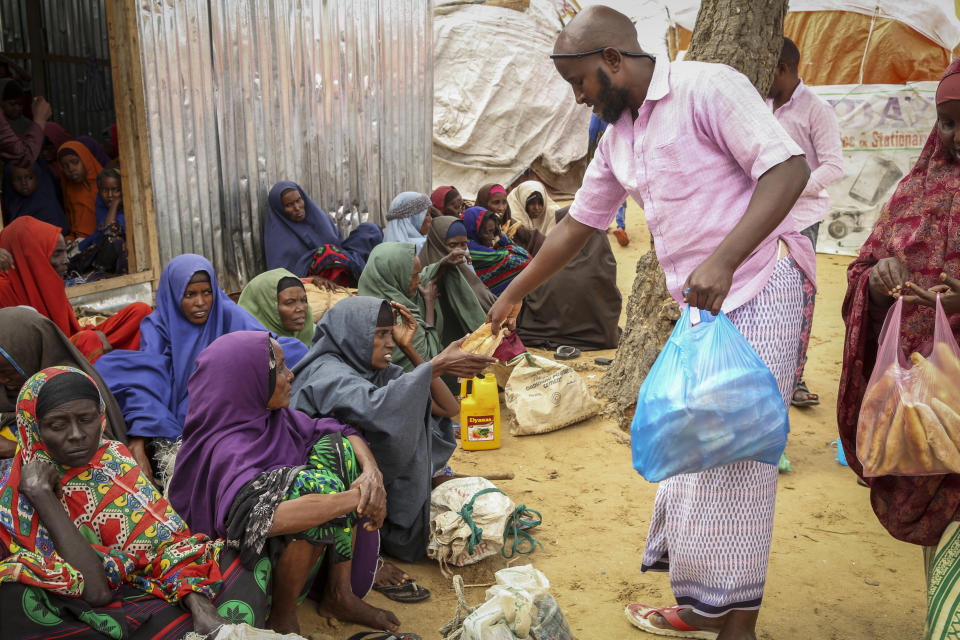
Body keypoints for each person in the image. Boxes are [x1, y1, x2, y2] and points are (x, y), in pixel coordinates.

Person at [486, 8, 815, 639]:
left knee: (739, 466)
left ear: (612, 59)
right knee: (689, 454)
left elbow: (788, 169)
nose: (578, 96)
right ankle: (699, 606)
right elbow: (574, 228)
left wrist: (723, 259)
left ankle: (735, 625)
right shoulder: (618, 139)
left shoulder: (708, 88)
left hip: (757, 289)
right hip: (704, 314)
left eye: (579, 81)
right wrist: (512, 294)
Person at [0, 366, 265, 638]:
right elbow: (96, 592)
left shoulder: (113, 460)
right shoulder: (19, 493)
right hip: (90, 602)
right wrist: (42, 496)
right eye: (57, 425)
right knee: (14, 597)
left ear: (101, 417)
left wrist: (196, 600)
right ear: (32, 428)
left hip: (149, 579)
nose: (77, 434)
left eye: (87, 419)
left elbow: (167, 543)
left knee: (246, 560)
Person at [169, 331, 404, 635]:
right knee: (317, 488)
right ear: (249, 381)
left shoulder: (271, 419)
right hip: (245, 573)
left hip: (287, 556)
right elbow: (262, 520)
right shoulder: (227, 447)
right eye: (279, 369)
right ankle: (283, 614)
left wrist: (373, 474)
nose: (290, 374)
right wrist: (359, 499)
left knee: (338, 449)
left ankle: (339, 593)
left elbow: (337, 428)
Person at [838, 58, 960, 640]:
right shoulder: (913, 189)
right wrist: (877, 279)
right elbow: (861, 267)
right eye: (948, 123)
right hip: (928, 409)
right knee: (947, 538)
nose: (956, 137)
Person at [289, 297, 494, 567]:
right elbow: (375, 406)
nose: (390, 343)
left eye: (390, 334)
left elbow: (447, 407)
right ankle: (357, 561)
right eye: (380, 335)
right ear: (351, 334)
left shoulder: (372, 370)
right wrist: (436, 366)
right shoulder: (327, 371)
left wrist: (412, 350)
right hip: (321, 498)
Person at [95, 254, 308, 479]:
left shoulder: (227, 314)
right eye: (190, 294)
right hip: (178, 410)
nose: (200, 302)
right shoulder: (158, 325)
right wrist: (138, 438)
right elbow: (150, 375)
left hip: (229, 405)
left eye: (207, 292)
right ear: (174, 295)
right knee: (115, 370)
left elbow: (271, 347)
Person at [767, 36, 843, 408]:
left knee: (799, 300)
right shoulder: (760, 104)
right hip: (762, 216)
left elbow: (833, 164)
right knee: (762, 296)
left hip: (801, 219)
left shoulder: (816, 110)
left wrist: (792, 189)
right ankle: (768, 371)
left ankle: (794, 377)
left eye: (767, 69)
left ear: (782, 68)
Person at [0, 217, 151, 363]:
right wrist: (90, 338)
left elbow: (69, 331)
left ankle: (129, 365)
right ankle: (106, 378)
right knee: (88, 341)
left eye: (65, 252)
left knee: (140, 312)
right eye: (57, 254)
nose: (66, 260)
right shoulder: (3, 289)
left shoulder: (48, 283)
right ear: (32, 256)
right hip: (45, 362)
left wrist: (92, 334)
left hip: (69, 345)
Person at [0, 307, 129, 473]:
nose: (3, 380)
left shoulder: (70, 388)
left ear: (31, 354)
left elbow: (89, 454)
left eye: (8, 372)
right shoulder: (8, 386)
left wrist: (16, 449)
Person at [357, 242, 488, 373]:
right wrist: (429, 304)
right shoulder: (392, 319)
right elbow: (429, 363)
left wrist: (443, 264)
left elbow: (426, 276)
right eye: (414, 276)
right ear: (397, 276)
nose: (419, 280)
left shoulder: (373, 296)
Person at [516, 206, 622, 350]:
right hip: (599, 335)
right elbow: (610, 299)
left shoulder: (549, 260)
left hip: (543, 331)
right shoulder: (603, 259)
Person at [264, 180, 382, 285]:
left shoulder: (317, 218)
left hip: (339, 263)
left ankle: (363, 274)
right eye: (289, 205)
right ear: (280, 209)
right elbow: (281, 278)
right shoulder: (279, 238)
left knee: (370, 231)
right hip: (313, 279)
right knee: (327, 253)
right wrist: (310, 278)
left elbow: (339, 247)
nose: (297, 208)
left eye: (298, 200)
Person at [419, 215, 498, 312]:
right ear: (438, 243)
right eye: (453, 245)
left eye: (463, 244)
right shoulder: (423, 270)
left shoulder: (465, 270)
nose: (459, 250)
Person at [69, 167, 128, 275]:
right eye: (105, 190)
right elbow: (97, 235)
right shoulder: (102, 208)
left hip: (118, 264)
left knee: (113, 241)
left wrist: (115, 204)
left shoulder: (126, 213)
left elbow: (110, 230)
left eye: (116, 190)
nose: (110, 195)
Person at [462, 205, 532, 295]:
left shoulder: (476, 246)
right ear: (474, 231)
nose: (492, 237)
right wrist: (505, 240)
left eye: (494, 231)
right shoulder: (472, 251)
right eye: (488, 232)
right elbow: (526, 261)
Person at [238, 268, 315, 345]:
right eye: (290, 302)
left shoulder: (319, 336)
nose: (301, 308)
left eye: (304, 300)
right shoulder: (246, 347)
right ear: (267, 307)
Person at [588, 114, 630, 246]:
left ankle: (602, 224)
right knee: (620, 190)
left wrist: (591, 152)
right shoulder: (621, 110)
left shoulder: (598, 112)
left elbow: (592, 130)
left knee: (601, 191)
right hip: (621, 154)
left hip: (603, 154)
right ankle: (620, 226)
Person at [477, 182, 547, 255]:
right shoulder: (474, 227)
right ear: (484, 203)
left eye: (504, 203)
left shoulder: (511, 225)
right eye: (496, 203)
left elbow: (534, 238)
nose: (501, 208)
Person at [2, 162, 69, 233]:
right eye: (18, 179)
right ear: (11, 182)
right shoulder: (14, 207)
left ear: (38, 177)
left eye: (29, 177)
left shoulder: (49, 209)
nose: (24, 183)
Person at [57, 141, 103, 241]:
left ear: (85, 160)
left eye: (75, 162)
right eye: (65, 166)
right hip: (77, 240)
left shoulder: (104, 185)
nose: (71, 169)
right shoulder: (68, 188)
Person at [0, 92, 49, 169]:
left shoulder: (27, 123)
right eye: (12, 104)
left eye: (20, 105)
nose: (17, 108)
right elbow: (24, 156)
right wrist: (40, 119)